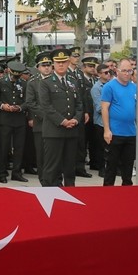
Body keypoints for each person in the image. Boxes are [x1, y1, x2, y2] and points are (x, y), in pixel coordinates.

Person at [35, 48, 82, 187]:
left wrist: (76, 119)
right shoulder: (45, 82)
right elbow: (46, 106)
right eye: (58, 62)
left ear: (69, 62)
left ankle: (70, 192)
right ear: (53, 64)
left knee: (69, 166)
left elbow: (79, 104)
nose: (61, 65)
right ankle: (50, 193)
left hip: (71, 130)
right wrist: (62, 121)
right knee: (52, 167)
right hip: (54, 131)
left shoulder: (73, 81)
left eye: (64, 61)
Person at [99, 57, 138, 186]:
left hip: (131, 132)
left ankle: (127, 195)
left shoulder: (134, 87)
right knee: (111, 166)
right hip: (115, 132)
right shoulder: (109, 87)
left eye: (130, 71)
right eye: (124, 71)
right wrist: (106, 130)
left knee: (128, 168)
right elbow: (104, 108)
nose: (127, 74)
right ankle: (107, 195)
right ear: (117, 71)